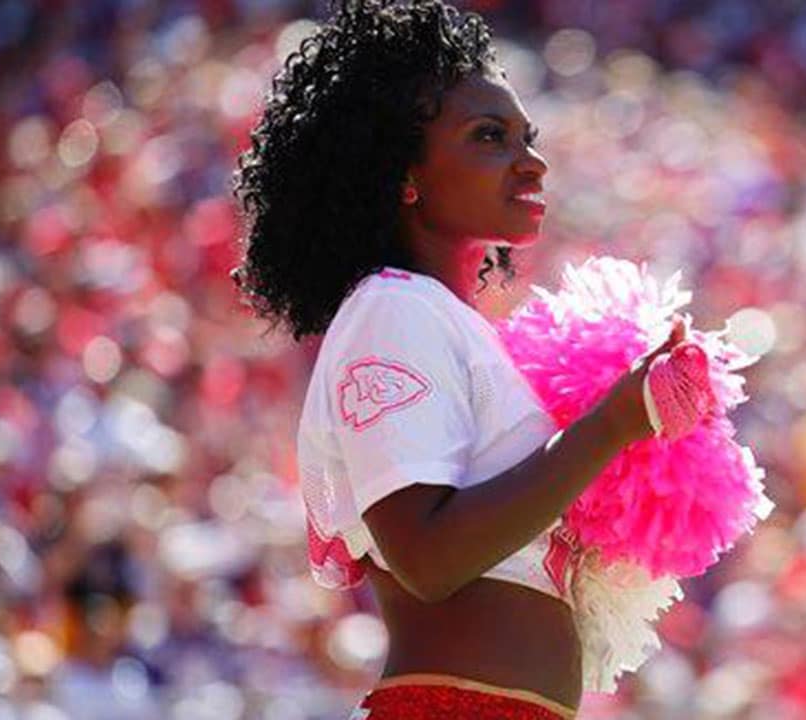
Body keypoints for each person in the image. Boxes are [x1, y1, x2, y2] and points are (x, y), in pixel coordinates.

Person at [229, 1, 694, 716]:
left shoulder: (449, 321)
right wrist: (613, 424)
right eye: (489, 136)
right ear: (401, 172)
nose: (531, 160)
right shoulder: (392, 308)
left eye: (527, 137)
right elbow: (427, 558)